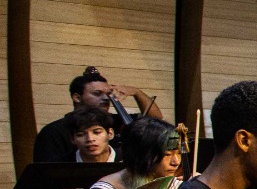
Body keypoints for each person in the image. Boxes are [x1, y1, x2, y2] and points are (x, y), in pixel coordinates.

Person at [32, 67, 164, 162]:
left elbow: (155, 119)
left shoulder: (116, 121)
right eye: (97, 94)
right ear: (77, 98)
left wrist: (137, 92)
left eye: (107, 94)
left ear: (110, 132)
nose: (106, 99)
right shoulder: (53, 132)